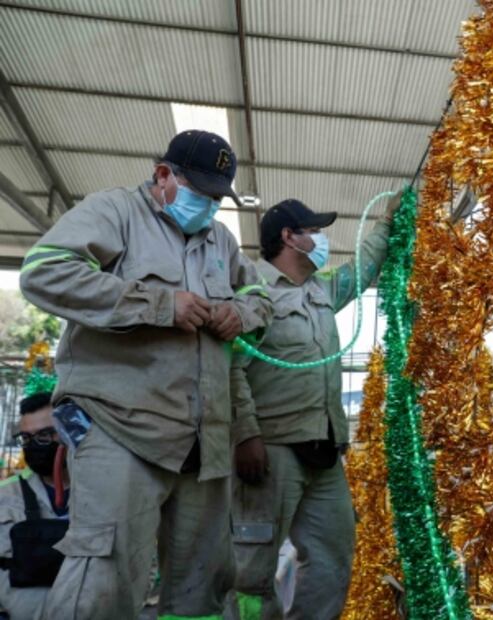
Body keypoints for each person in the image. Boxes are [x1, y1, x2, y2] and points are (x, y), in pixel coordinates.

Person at [19, 130, 273, 620]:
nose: (210, 205)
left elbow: (261, 297)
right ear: (163, 176)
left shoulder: (220, 240)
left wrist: (241, 314)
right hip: (121, 430)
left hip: (204, 445)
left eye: (218, 196)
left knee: (205, 586)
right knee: (102, 580)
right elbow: (44, 271)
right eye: (201, 192)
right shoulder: (116, 211)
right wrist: (157, 303)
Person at [228, 195, 399, 619]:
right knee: (253, 568)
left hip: (324, 452)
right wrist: (245, 435)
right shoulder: (253, 291)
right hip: (272, 451)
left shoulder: (319, 291)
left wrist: (385, 223)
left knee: (332, 559)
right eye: (314, 231)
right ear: (289, 237)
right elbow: (229, 369)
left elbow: (360, 271)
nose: (322, 239)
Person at [0, 392, 69, 620]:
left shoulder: (106, 494)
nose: (34, 445)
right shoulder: (5, 495)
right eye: (26, 438)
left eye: (46, 435)